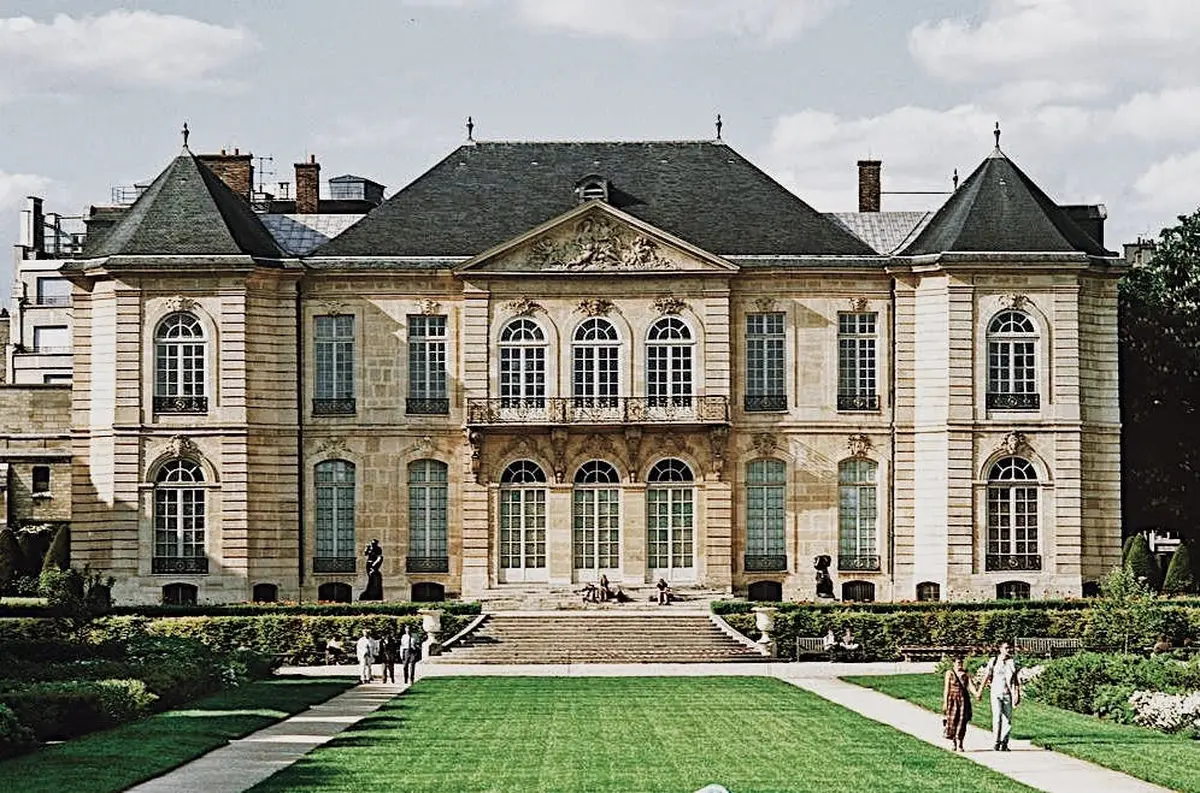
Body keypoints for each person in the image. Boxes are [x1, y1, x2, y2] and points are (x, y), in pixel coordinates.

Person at [978, 641, 1020, 751]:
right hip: (996, 692)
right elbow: (986, 676)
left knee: (1008, 720)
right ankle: (996, 742)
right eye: (1006, 648)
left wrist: (1016, 693)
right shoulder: (994, 661)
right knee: (997, 718)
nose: (1008, 650)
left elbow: (1015, 679)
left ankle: (1004, 742)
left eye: (1009, 648)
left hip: (1007, 693)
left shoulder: (1011, 662)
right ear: (1000, 649)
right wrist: (980, 691)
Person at [942, 657, 978, 752]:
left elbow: (970, 686)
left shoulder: (965, 674)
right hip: (953, 700)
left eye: (961, 663)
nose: (960, 664)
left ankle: (960, 743)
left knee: (962, 722)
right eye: (958, 662)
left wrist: (977, 694)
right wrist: (945, 702)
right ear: (953, 663)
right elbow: (946, 688)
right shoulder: (950, 673)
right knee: (953, 721)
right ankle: (954, 742)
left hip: (963, 700)